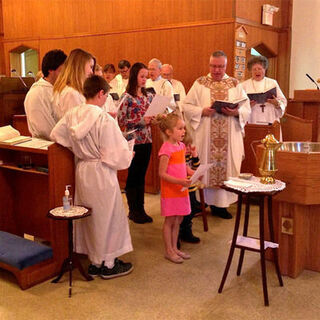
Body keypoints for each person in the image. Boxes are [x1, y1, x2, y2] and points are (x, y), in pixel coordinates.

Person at [50, 75, 134, 279]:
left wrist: (79, 150)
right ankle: (108, 263)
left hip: (83, 169)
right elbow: (115, 154)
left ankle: (95, 262)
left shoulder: (72, 114)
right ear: (101, 93)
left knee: (91, 217)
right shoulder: (104, 118)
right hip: (101, 171)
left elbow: (55, 134)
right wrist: (128, 153)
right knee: (109, 216)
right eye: (106, 95)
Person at [183, 50, 251, 219]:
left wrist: (235, 113)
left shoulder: (234, 84)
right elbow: (186, 106)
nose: (217, 70)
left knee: (226, 169)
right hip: (206, 135)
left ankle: (221, 206)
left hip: (229, 136)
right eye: (213, 66)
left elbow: (246, 107)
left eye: (220, 66)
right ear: (209, 65)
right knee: (205, 168)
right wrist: (202, 111)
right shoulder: (200, 83)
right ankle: (202, 203)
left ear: (226, 66)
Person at [117, 62, 154, 224]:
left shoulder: (148, 95)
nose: (145, 79)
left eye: (146, 76)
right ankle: (133, 210)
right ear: (134, 77)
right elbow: (120, 120)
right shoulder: (127, 97)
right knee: (134, 175)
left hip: (147, 139)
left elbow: (150, 116)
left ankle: (141, 209)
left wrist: (155, 117)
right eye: (142, 76)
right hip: (134, 141)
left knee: (142, 176)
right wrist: (140, 121)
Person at [157, 113, 193, 263]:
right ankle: (168, 250)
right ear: (169, 132)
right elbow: (161, 173)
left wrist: (194, 173)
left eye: (184, 128)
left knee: (178, 219)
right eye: (179, 129)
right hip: (171, 190)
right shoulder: (166, 149)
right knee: (170, 220)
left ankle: (175, 248)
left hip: (180, 189)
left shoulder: (182, 146)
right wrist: (180, 181)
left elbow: (183, 166)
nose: (183, 131)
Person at [24, 49, 67, 140]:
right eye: (62, 71)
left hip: (61, 144)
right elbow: (44, 129)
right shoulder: (37, 93)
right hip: (46, 146)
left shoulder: (60, 90)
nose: (65, 76)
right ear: (51, 70)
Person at [241, 55, 287, 126]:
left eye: (259, 69)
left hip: (270, 117)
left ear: (265, 69)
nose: (257, 71)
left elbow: (283, 101)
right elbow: (239, 106)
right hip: (252, 118)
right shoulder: (244, 85)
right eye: (254, 69)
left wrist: (277, 103)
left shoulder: (272, 83)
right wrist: (247, 105)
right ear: (250, 71)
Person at [52, 48, 94, 121]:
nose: (91, 72)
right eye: (91, 67)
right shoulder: (71, 93)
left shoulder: (70, 90)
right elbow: (74, 125)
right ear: (80, 66)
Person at [179, 130, 201, 244]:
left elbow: (196, 168)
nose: (188, 148)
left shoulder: (188, 157)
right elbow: (185, 171)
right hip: (182, 189)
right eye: (185, 146)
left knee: (191, 210)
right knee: (182, 212)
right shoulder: (178, 157)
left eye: (189, 145)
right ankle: (179, 232)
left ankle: (187, 231)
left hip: (191, 188)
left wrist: (195, 156)